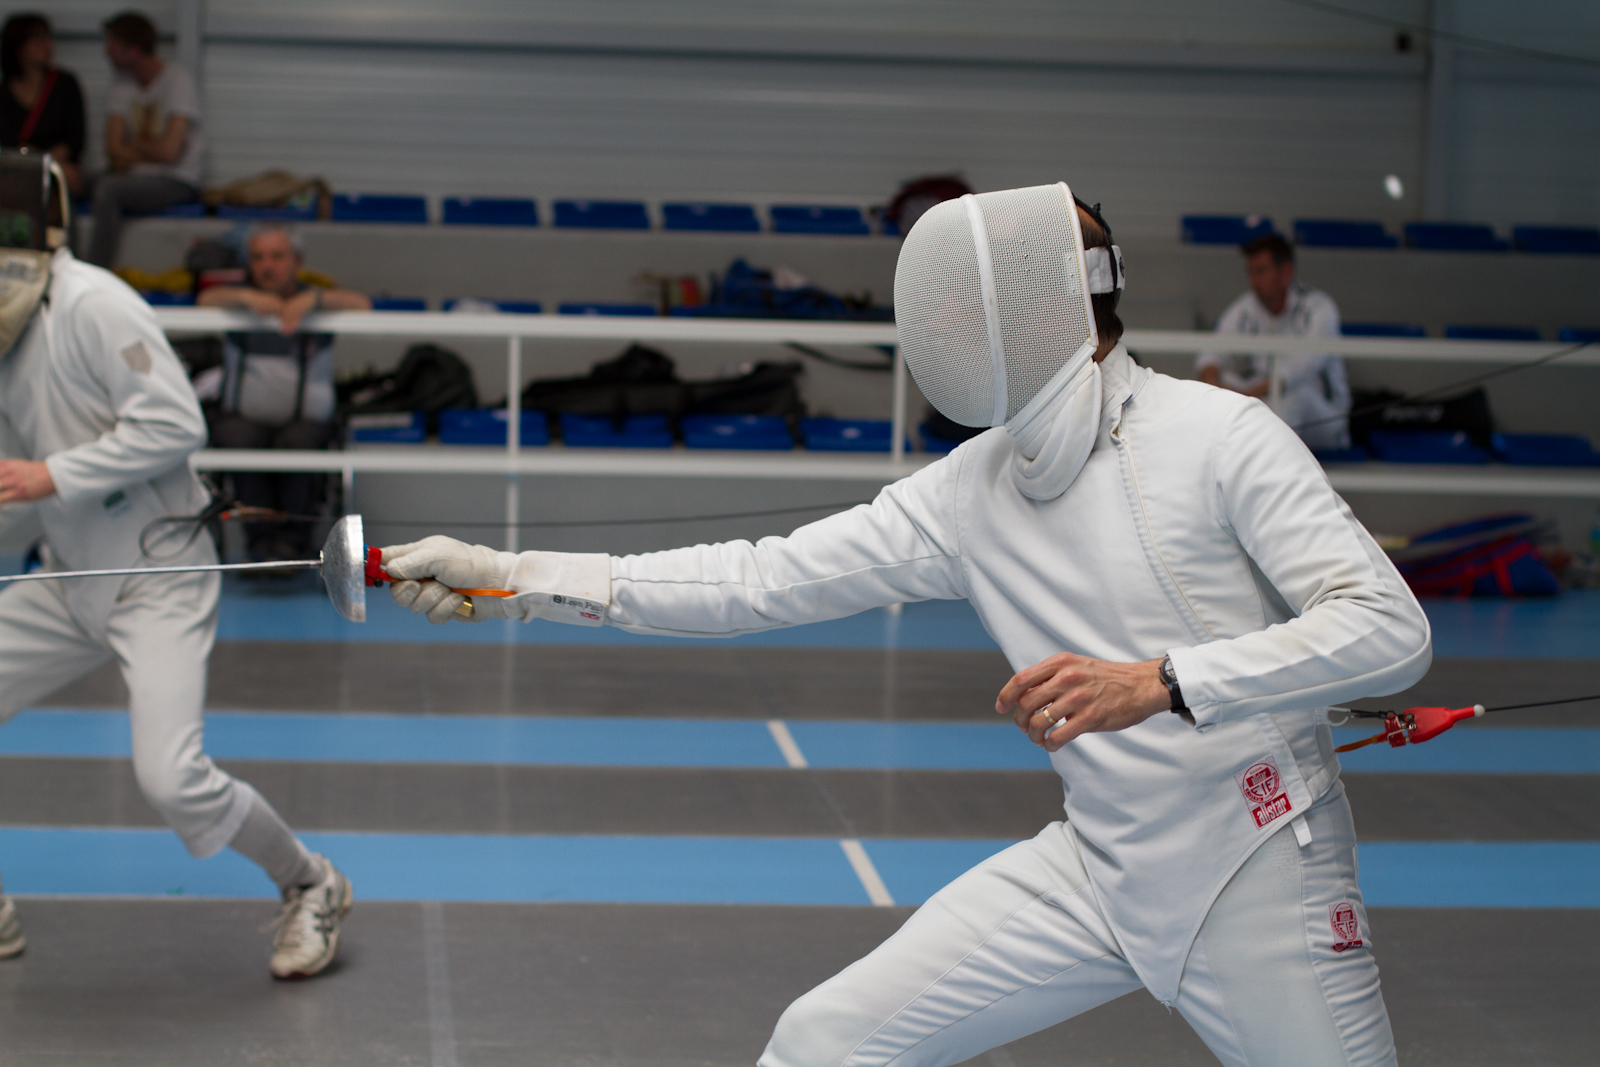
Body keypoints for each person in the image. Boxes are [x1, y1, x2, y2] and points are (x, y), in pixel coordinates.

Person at [383, 183, 1431, 1067]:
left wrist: (1158, 680)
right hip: (1102, 867)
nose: (942, 324)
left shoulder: (1220, 434)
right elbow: (756, 580)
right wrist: (513, 578)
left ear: (1046, 304)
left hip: (1258, 864)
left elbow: (1388, 627)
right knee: (820, 1044)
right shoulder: (972, 488)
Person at [0, 151, 350, 978]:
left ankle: (312, 882)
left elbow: (175, 424)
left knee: (172, 778)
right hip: (71, 575)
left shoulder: (93, 303)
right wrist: (36, 486)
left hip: (158, 573)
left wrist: (53, 475)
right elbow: (17, 472)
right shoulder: (10, 330)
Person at [196, 223, 370, 563]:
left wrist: (312, 300)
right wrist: (247, 298)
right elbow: (204, 300)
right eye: (258, 257)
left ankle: (294, 544)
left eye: (277, 256)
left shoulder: (316, 300)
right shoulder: (237, 300)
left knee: (299, 441)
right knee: (235, 435)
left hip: (304, 424)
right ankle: (260, 544)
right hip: (244, 421)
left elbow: (361, 304)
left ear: (297, 261)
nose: (267, 266)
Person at [1198, 232, 1352, 452]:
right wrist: (1214, 384)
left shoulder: (1320, 307)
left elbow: (1297, 371)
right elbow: (1212, 352)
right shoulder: (1245, 307)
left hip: (1324, 418)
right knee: (1224, 382)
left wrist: (1244, 397)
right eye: (1250, 272)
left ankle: (1261, 466)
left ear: (1286, 271)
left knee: (1294, 397)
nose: (1254, 281)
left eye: (1261, 271)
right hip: (1264, 403)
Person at [85, 11, 203, 268]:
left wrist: (134, 145)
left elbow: (169, 154)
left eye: (112, 44)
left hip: (177, 180)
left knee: (108, 189)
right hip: (134, 176)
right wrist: (152, 149)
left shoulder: (178, 81)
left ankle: (95, 271)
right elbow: (112, 149)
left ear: (134, 50)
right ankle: (61, 265)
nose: (106, 52)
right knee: (68, 182)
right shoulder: (122, 83)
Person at [0, 14, 86, 197]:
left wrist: (53, 165)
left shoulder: (65, 84)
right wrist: (47, 165)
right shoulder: (4, 93)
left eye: (47, 36)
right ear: (18, 45)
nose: (46, 44)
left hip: (60, 170)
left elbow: (75, 139)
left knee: (64, 182)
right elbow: (9, 146)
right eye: (37, 38)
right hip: (20, 171)